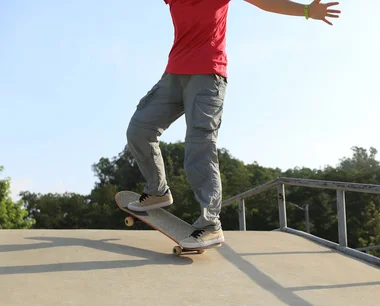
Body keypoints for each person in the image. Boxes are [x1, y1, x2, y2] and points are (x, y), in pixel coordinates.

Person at [125, 0, 341, 249]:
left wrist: (306, 11)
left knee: (199, 145)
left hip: (208, 76)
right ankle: (157, 190)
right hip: (173, 76)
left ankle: (209, 224)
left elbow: (266, 3)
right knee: (139, 129)